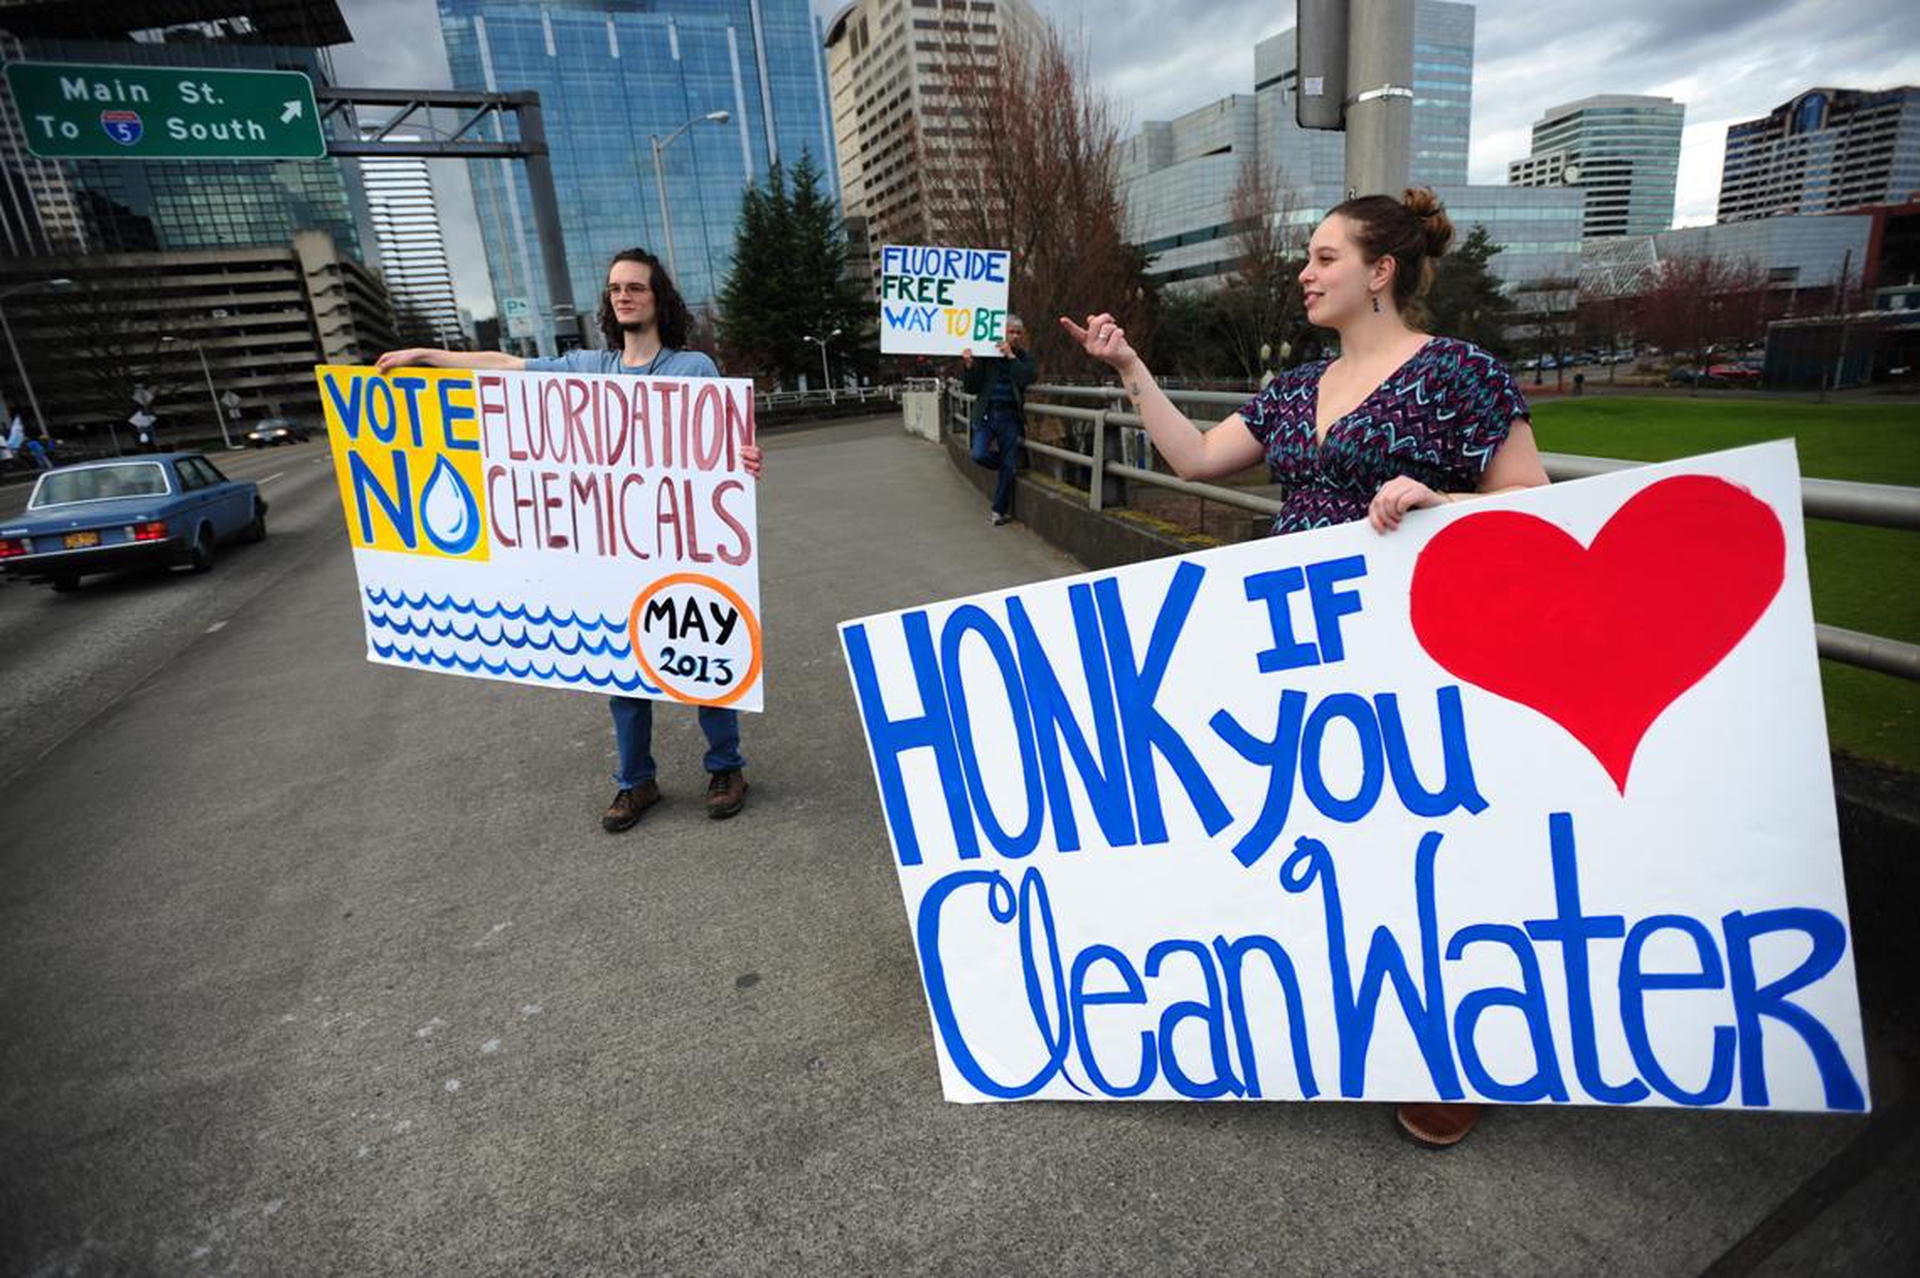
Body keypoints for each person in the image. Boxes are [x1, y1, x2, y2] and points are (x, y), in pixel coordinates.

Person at [1061, 187, 1548, 1148]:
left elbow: (1532, 506)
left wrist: (1442, 500)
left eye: (1326, 257)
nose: (1305, 272)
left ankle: (1452, 1054)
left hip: (1414, 659)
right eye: (1308, 257)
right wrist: (1129, 368)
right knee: (1322, 846)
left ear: (1382, 271)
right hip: (1297, 660)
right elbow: (1198, 458)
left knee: (1423, 852)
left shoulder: (1462, 375)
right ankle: (1334, 1014)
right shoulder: (1295, 388)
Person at [375, 248, 764, 833]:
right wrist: (426, 355)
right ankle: (636, 781)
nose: (624, 296)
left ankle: (726, 768)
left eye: (635, 287)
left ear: (659, 297)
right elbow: (507, 365)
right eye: (615, 288)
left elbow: (726, 446)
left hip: (682, 542)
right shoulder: (589, 368)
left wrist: (745, 460)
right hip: (613, 549)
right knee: (621, 672)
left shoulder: (693, 369)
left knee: (703, 659)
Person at [960, 315, 1035, 525]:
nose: (1015, 336)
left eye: (1018, 333)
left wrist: (1011, 356)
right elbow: (972, 387)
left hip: (1009, 416)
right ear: (1002, 332)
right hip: (986, 413)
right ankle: (1007, 466)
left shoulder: (1022, 357)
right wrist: (969, 365)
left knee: (1008, 465)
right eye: (1011, 332)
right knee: (979, 454)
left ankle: (998, 510)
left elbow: (1028, 378)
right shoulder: (986, 356)